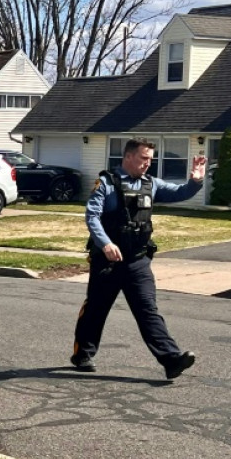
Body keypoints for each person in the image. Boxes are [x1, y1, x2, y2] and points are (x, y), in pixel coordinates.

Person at [71, 138, 207, 379]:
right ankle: (83, 353)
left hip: (137, 260)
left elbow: (180, 193)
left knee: (147, 309)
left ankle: (171, 359)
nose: (148, 164)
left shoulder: (150, 184)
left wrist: (195, 179)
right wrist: (106, 244)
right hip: (108, 261)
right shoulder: (106, 183)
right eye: (144, 158)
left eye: (150, 160)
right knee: (96, 308)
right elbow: (92, 217)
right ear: (128, 157)